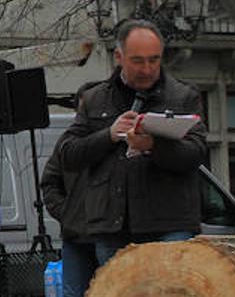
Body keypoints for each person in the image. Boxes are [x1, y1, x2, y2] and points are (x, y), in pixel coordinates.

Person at [58, 19, 206, 266]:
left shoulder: (184, 96)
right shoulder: (95, 99)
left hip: (170, 223)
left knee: (168, 291)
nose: (147, 69)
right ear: (119, 57)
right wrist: (109, 135)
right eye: (138, 61)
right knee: (119, 291)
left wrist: (152, 145)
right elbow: (68, 155)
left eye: (154, 60)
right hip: (113, 228)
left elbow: (197, 153)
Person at [35, 84, 100, 297]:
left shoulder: (117, 138)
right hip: (78, 235)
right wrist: (69, 213)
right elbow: (49, 182)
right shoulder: (68, 142)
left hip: (110, 233)